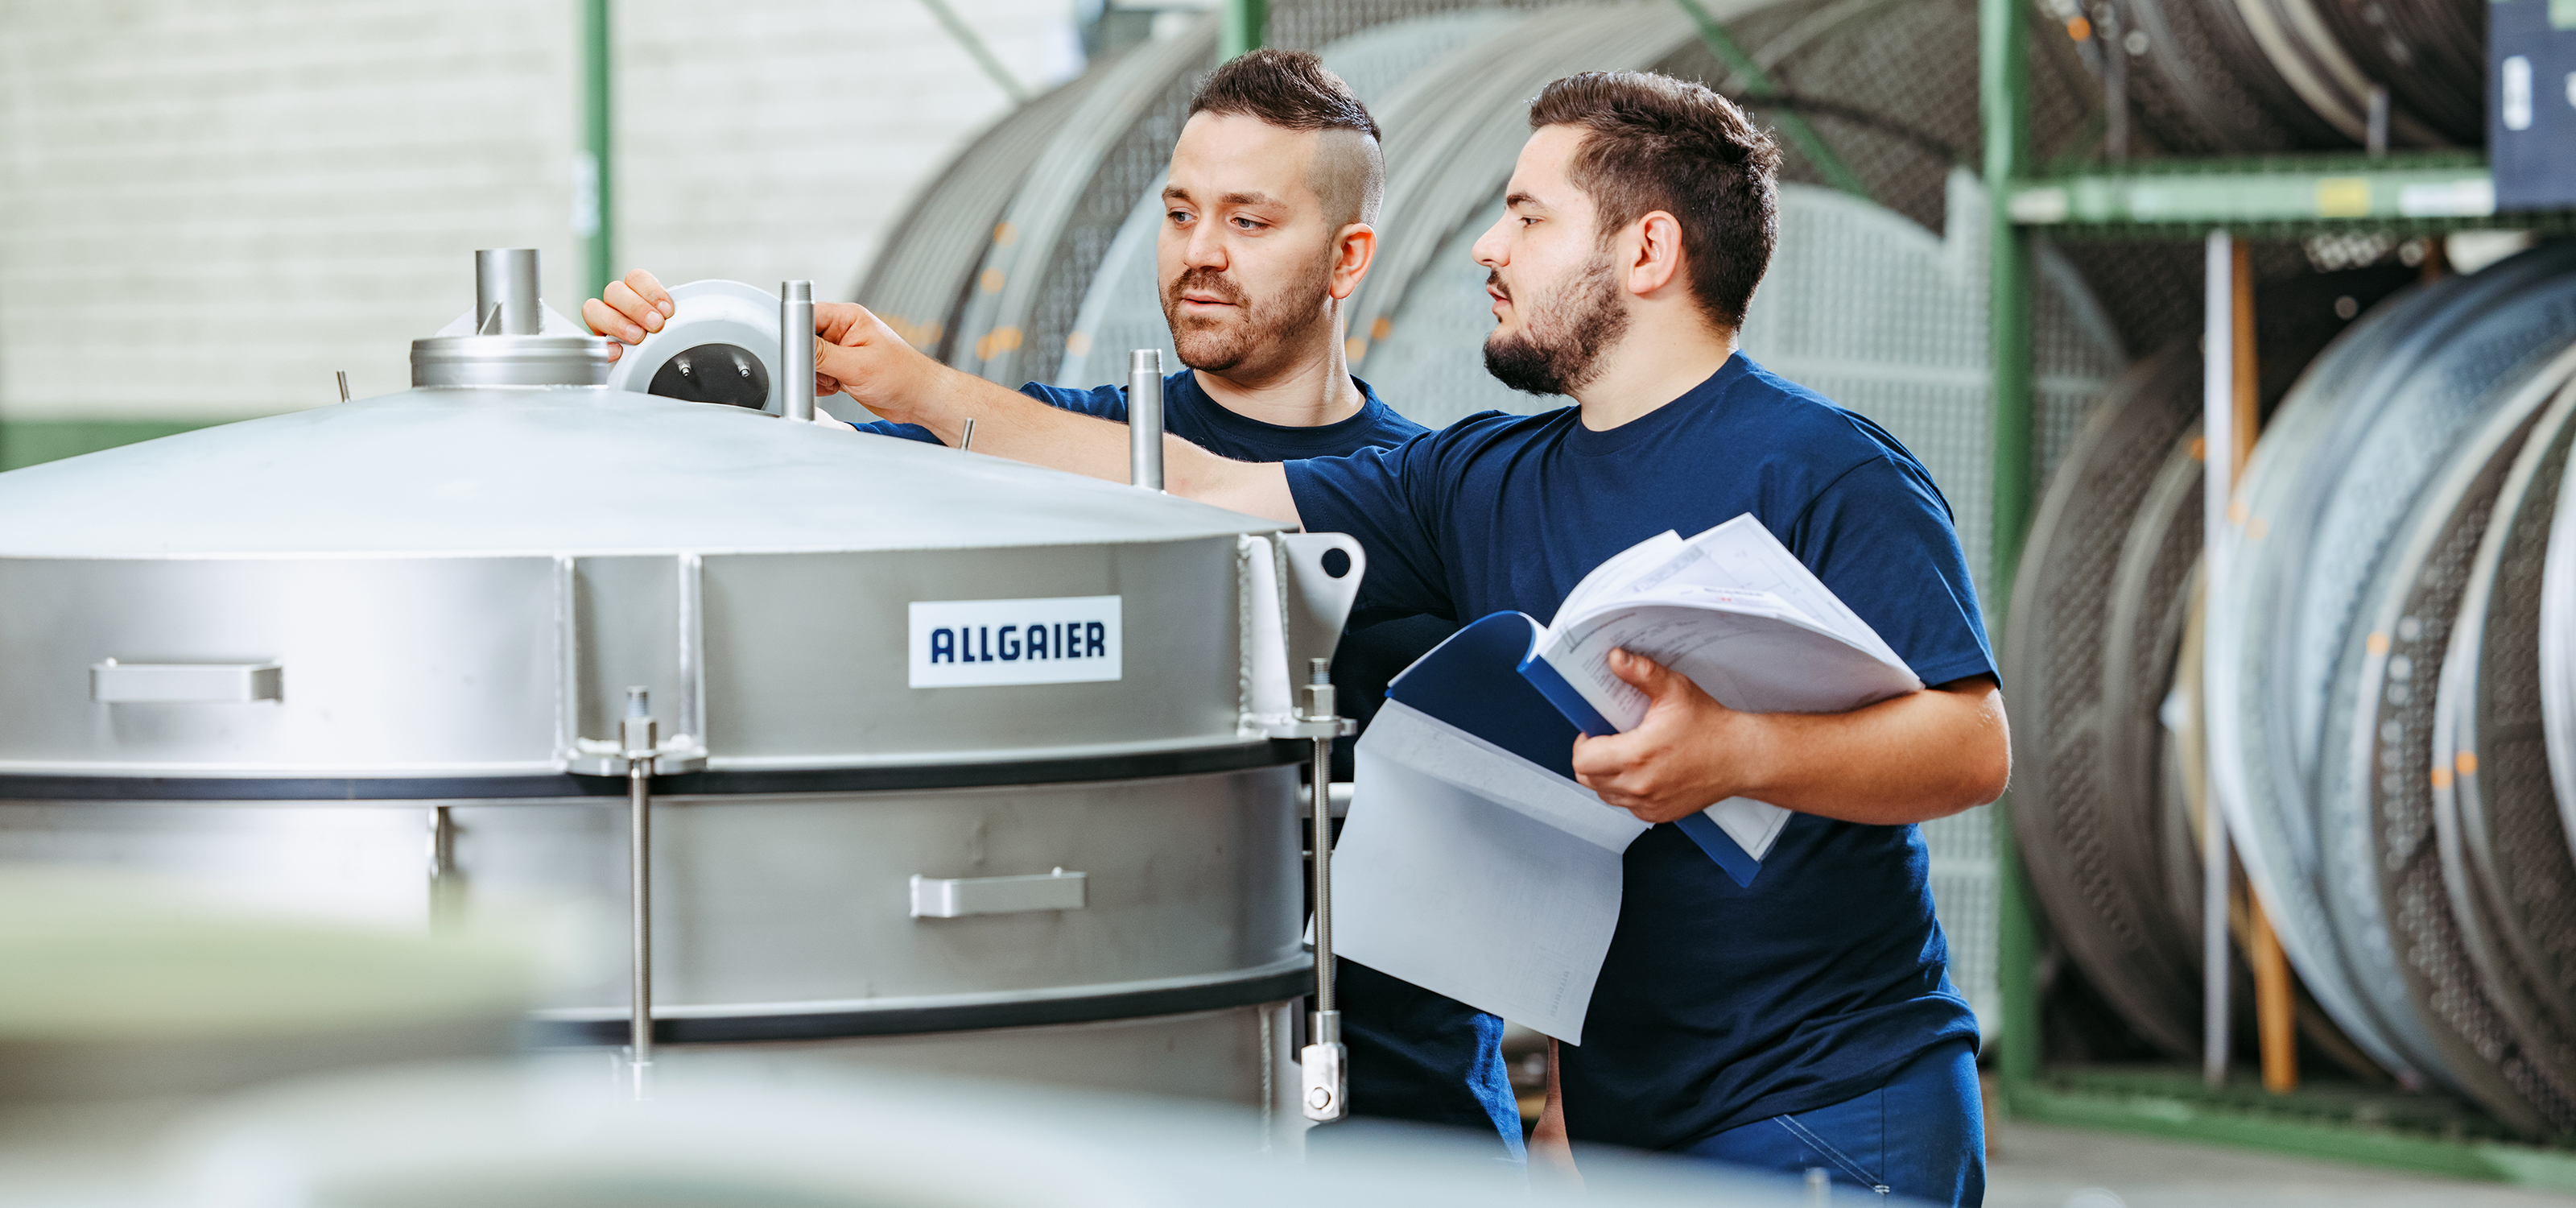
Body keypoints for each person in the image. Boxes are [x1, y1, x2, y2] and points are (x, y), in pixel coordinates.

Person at [800, 68, 2008, 1206]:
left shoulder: (1826, 468)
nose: (1489, 246)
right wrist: (913, 391)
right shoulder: (1483, 478)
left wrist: (1739, 751)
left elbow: (1969, 747)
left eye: (1528, 218)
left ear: (1645, 251)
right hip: (1637, 1116)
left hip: (1834, 1106)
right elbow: (1193, 485)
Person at [579, 50, 1518, 1160]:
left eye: (1250, 222)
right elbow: (793, 490)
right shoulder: (1047, 447)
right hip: (1160, 1094)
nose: (1199, 254)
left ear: (1348, 256)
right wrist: (652, 380)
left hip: (1419, 1121)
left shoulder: (1436, 501)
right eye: (1179, 212)